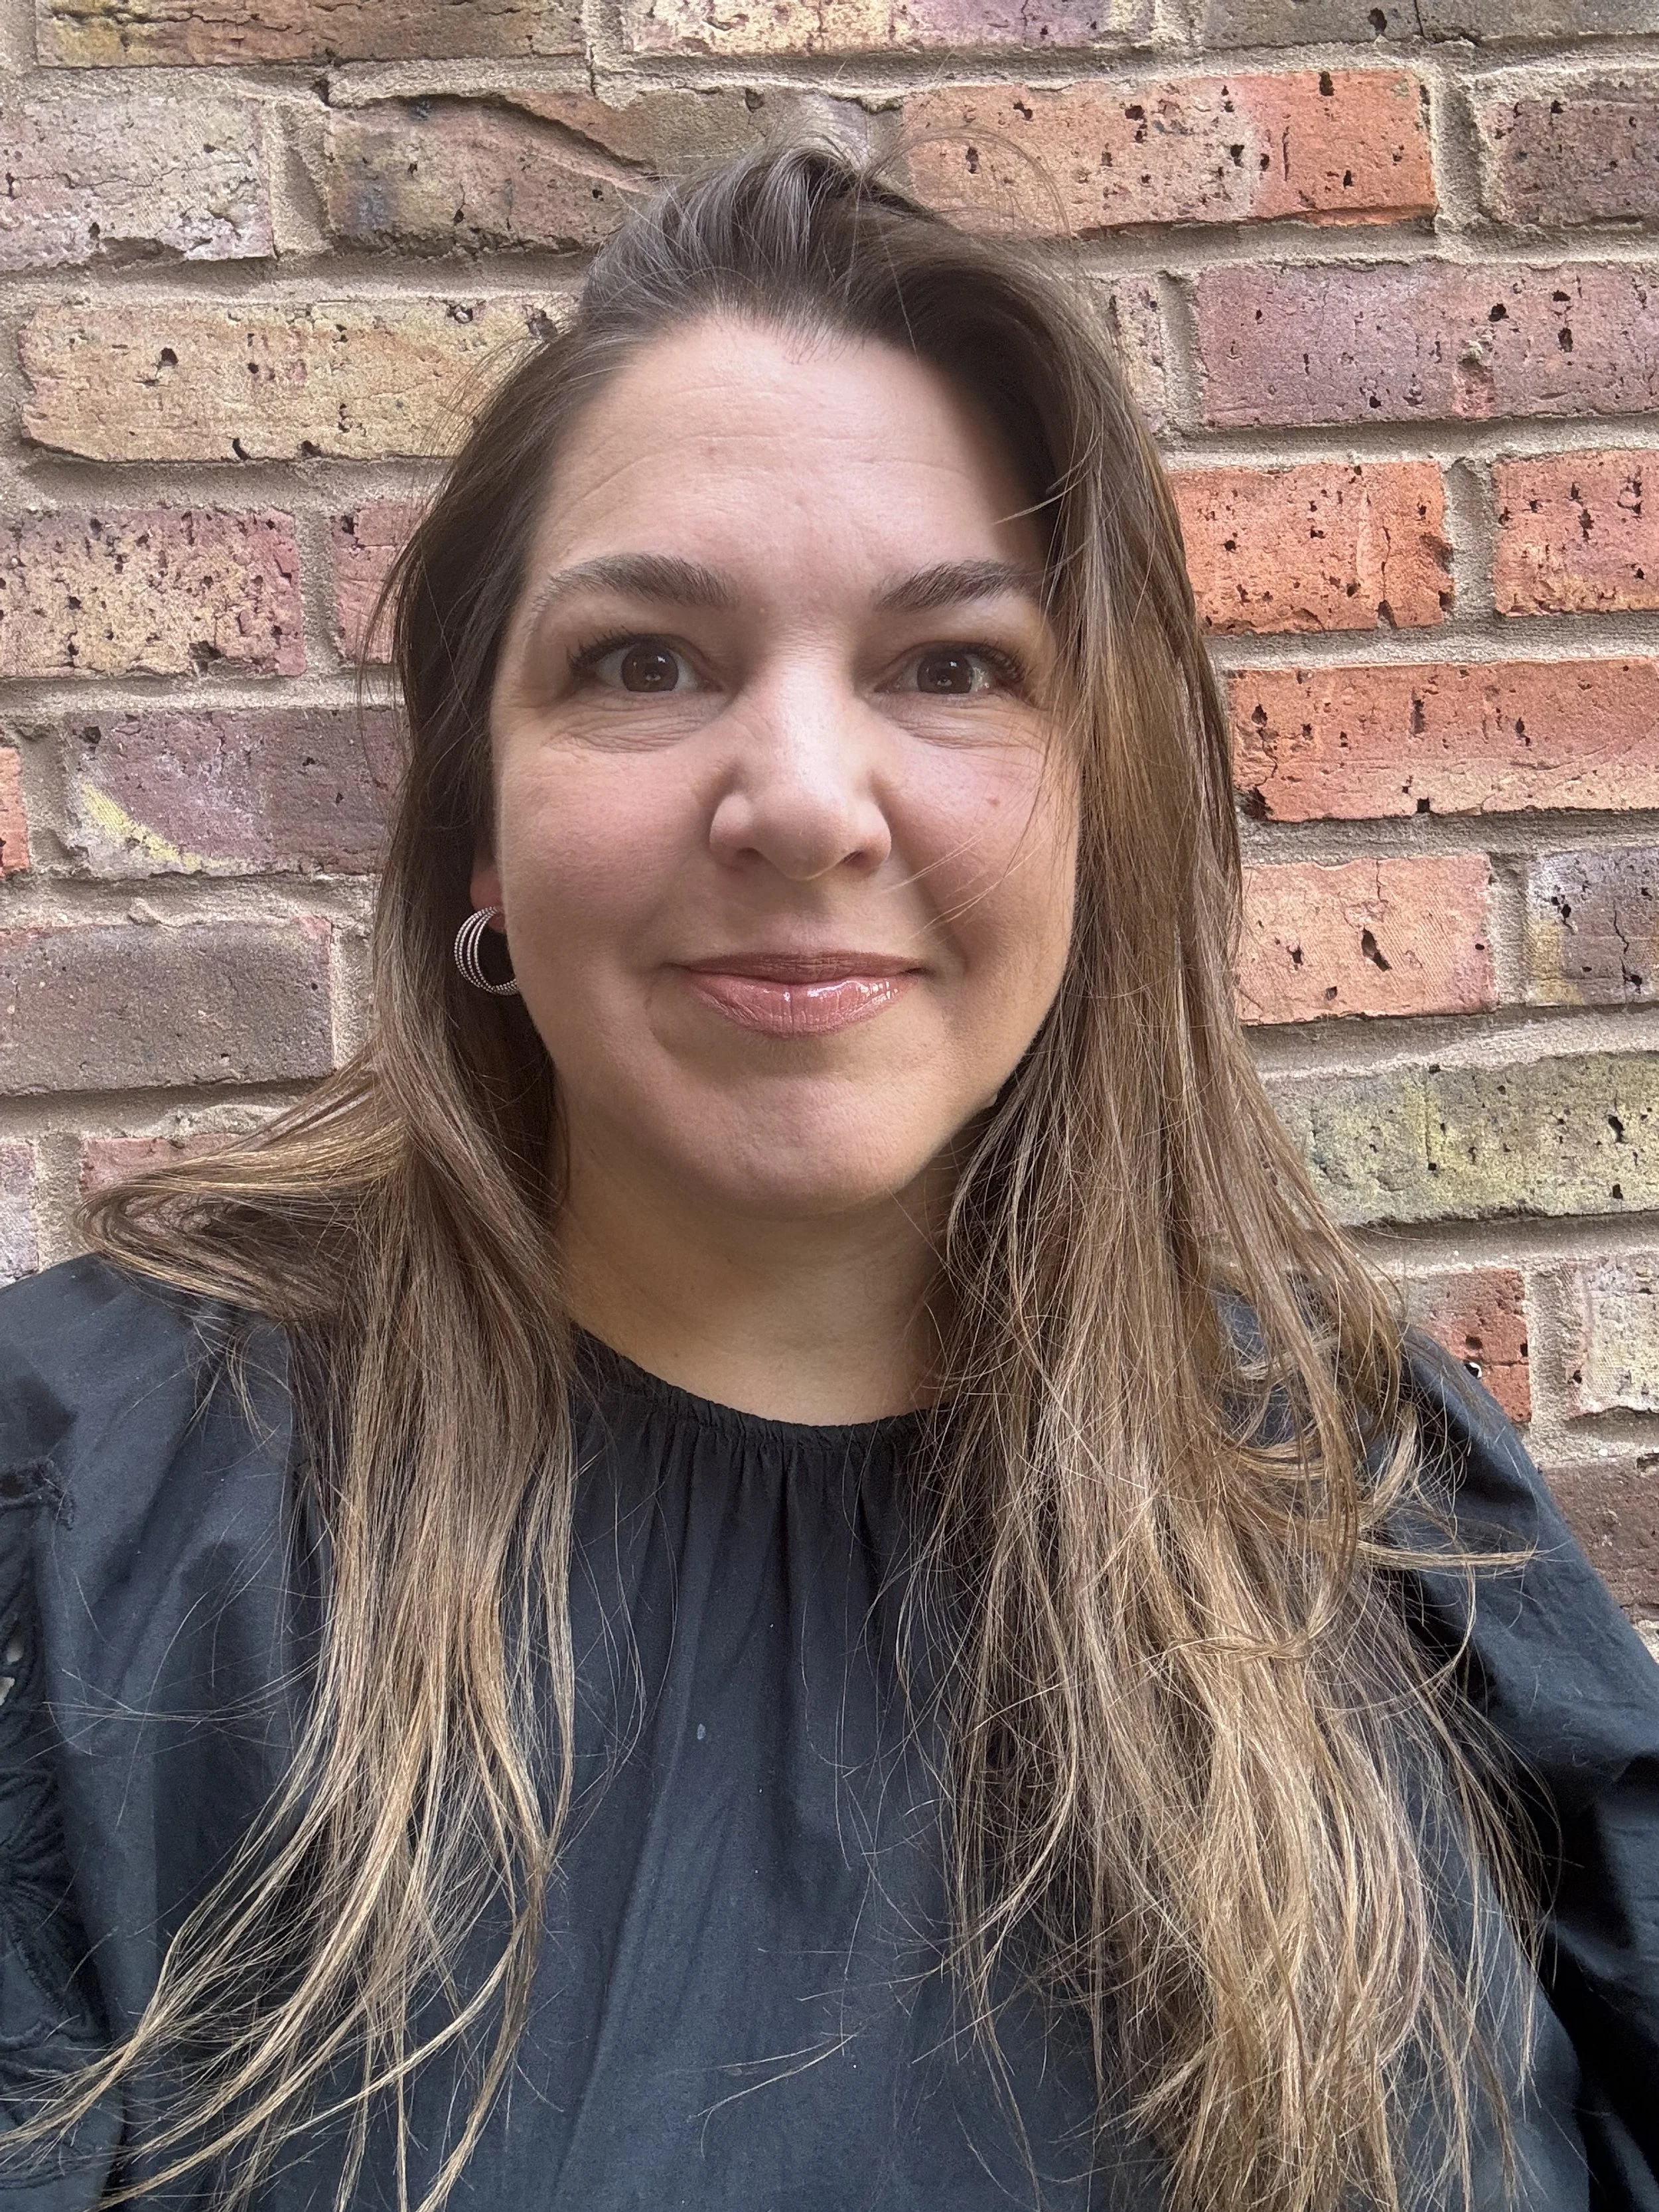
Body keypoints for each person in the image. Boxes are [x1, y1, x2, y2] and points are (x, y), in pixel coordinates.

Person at [0, 137, 1653, 2212]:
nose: (797, 799)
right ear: (480, 834)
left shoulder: (1379, 1514)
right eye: (641, 661)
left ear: (1096, 811)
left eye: (952, 663)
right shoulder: (87, 1513)